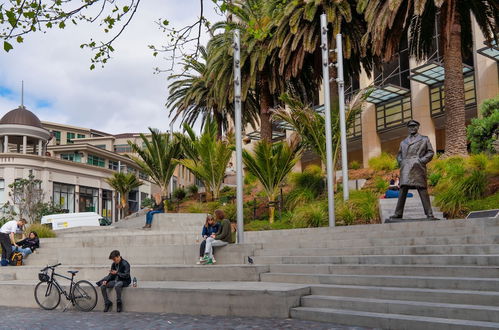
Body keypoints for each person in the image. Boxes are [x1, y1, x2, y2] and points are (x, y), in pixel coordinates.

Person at [389, 120, 439, 220]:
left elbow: (430, 152)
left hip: (418, 167)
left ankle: (429, 214)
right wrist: (401, 162)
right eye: (410, 126)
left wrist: (421, 161)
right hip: (406, 167)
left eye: (414, 126)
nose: (412, 128)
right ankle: (398, 213)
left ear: (418, 127)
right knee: (403, 190)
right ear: (408, 128)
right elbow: (399, 155)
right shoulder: (403, 142)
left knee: (422, 189)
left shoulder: (424, 139)